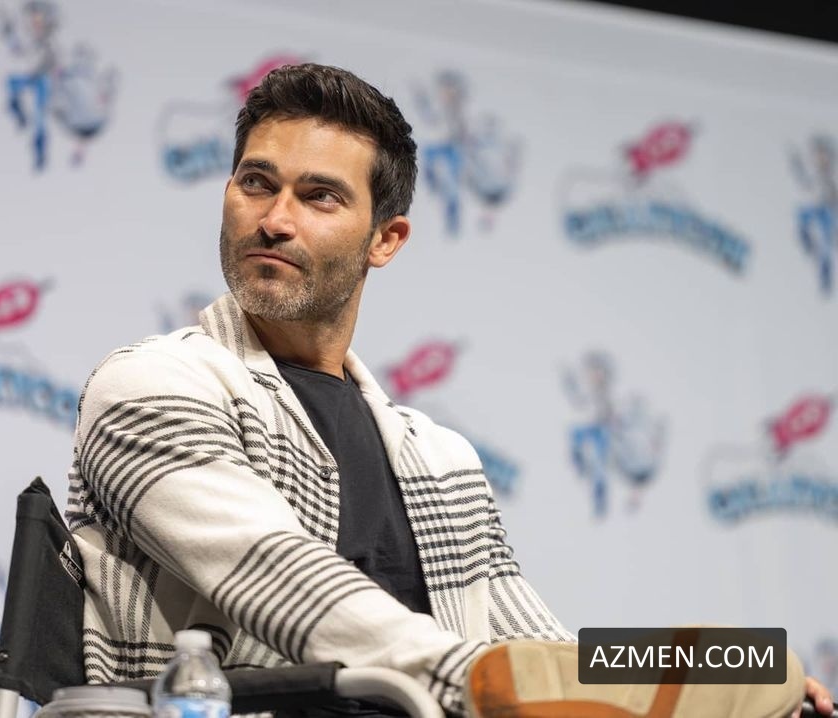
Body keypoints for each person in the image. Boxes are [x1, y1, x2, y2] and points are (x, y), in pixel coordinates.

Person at [66, 63, 832, 717]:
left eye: (319, 196)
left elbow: (541, 652)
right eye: (256, 184)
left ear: (385, 239)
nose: (275, 220)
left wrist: (734, 681)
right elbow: (281, 579)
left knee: (753, 664)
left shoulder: (439, 459)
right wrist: (479, 682)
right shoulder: (151, 386)